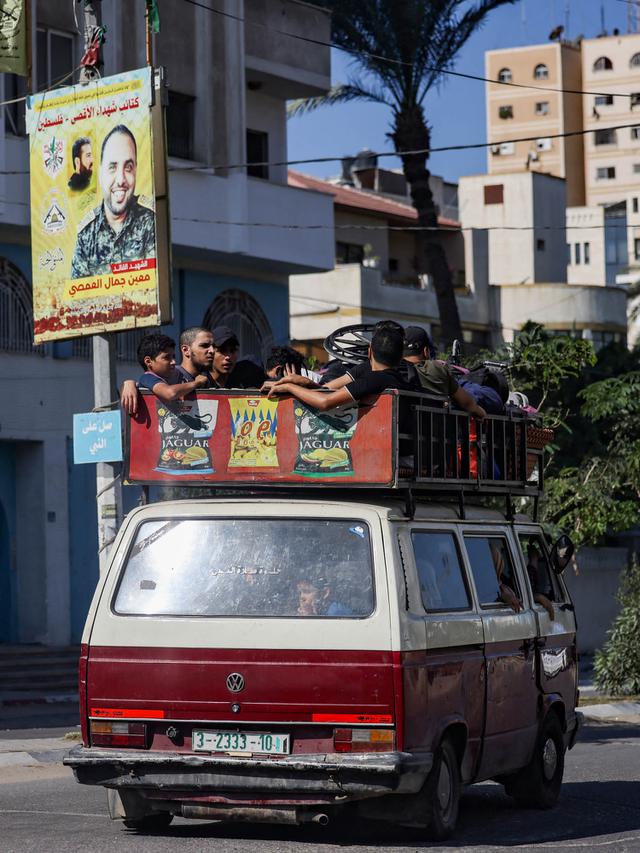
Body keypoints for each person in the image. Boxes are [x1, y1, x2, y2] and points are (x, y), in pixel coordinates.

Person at [264, 324, 417, 414]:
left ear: (369, 351)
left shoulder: (374, 379)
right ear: (400, 357)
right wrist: (308, 384)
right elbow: (331, 393)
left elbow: (325, 402)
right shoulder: (395, 378)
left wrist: (289, 387)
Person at [70, 124, 155, 278]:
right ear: (101, 173)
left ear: (136, 170)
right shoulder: (86, 235)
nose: (121, 179)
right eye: (112, 167)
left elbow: (153, 291)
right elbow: (76, 298)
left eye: (128, 168)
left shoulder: (151, 224)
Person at [403, 326, 487, 420]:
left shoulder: (395, 371)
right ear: (426, 351)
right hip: (434, 430)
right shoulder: (436, 368)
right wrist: (481, 412)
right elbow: (466, 403)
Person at [136, 332, 208, 403]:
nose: (173, 362)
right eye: (166, 357)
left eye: (173, 356)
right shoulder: (147, 378)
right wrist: (196, 383)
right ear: (148, 362)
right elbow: (170, 393)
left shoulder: (174, 375)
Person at [527, 543, 555, 619]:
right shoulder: (531, 571)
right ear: (537, 555)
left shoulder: (531, 570)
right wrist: (541, 598)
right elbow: (529, 594)